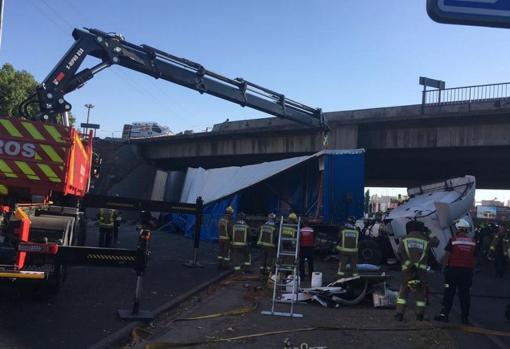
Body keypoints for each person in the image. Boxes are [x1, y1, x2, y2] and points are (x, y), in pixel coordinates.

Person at [394, 220, 439, 321]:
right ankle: (419, 316)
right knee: (420, 293)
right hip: (421, 272)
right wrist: (428, 232)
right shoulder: (426, 240)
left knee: (403, 292)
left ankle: (399, 314)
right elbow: (437, 242)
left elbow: (400, 253)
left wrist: (409, 265)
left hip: (407, 271)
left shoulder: (405, 239)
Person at [434, 219, 476, 324]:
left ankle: (444, 315)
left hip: (452, 271)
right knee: (465, 295)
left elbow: (447, 256)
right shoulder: (473, 243)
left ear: (458, 229)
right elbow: (475, 259)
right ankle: (464, 317)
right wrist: (471, 270)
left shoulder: (453, 240)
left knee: (448, 293)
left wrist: (443, 269)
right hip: (466, 273)